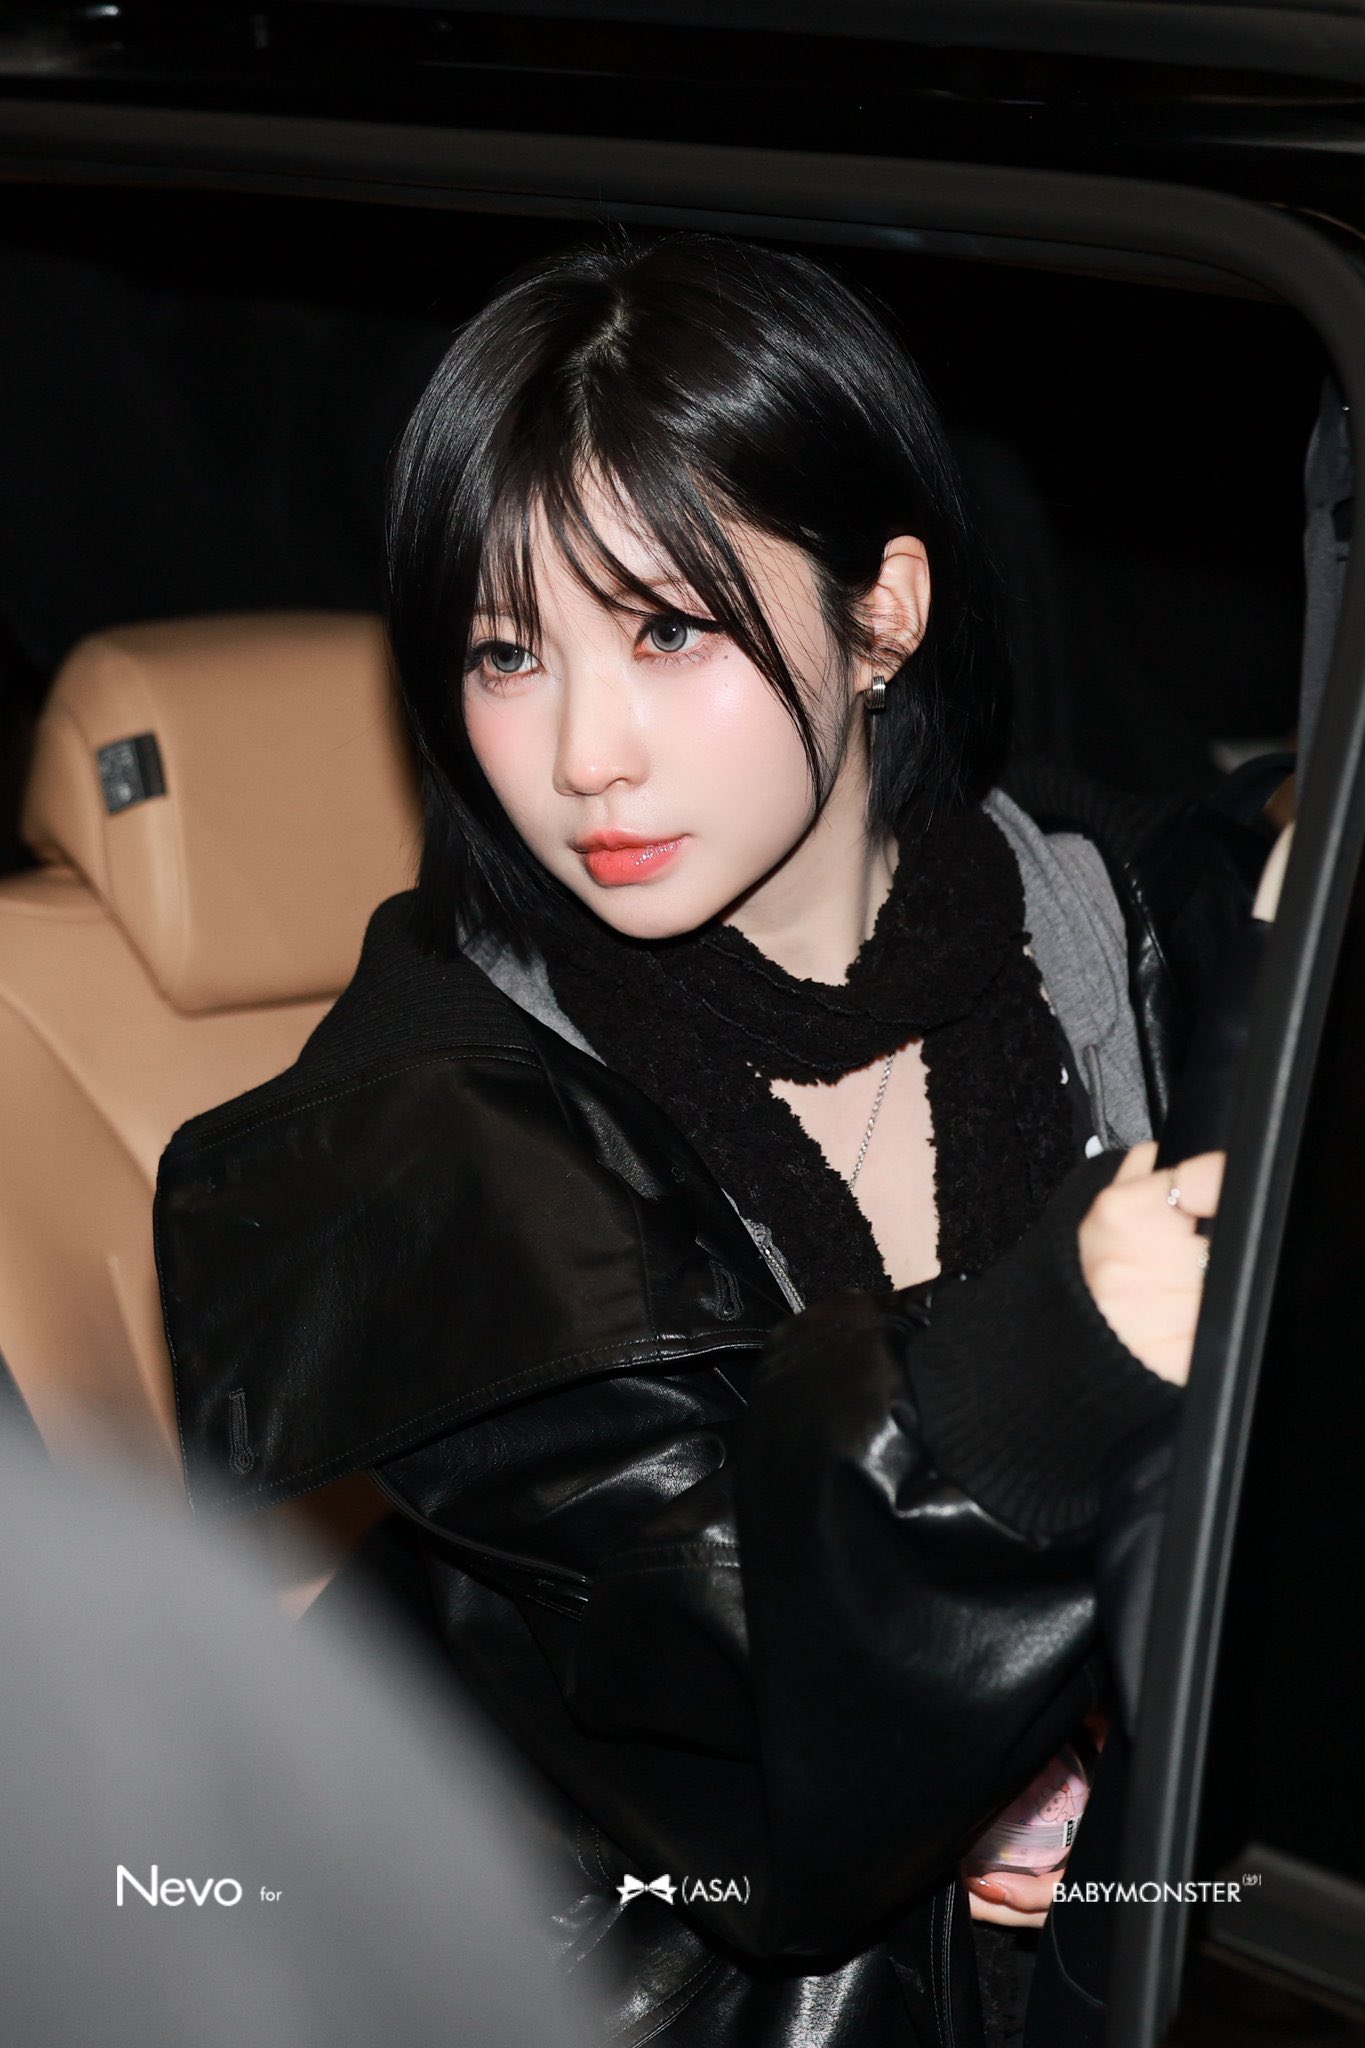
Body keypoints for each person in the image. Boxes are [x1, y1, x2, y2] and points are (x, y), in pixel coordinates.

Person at [154, 232, 1242, 2048]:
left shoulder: (1130, 927)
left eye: (667, 630)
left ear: (881, 614)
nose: (585, 753)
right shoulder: (423, 1151)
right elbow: (758, 1746)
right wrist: (1044, 1368)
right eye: (507, 653)